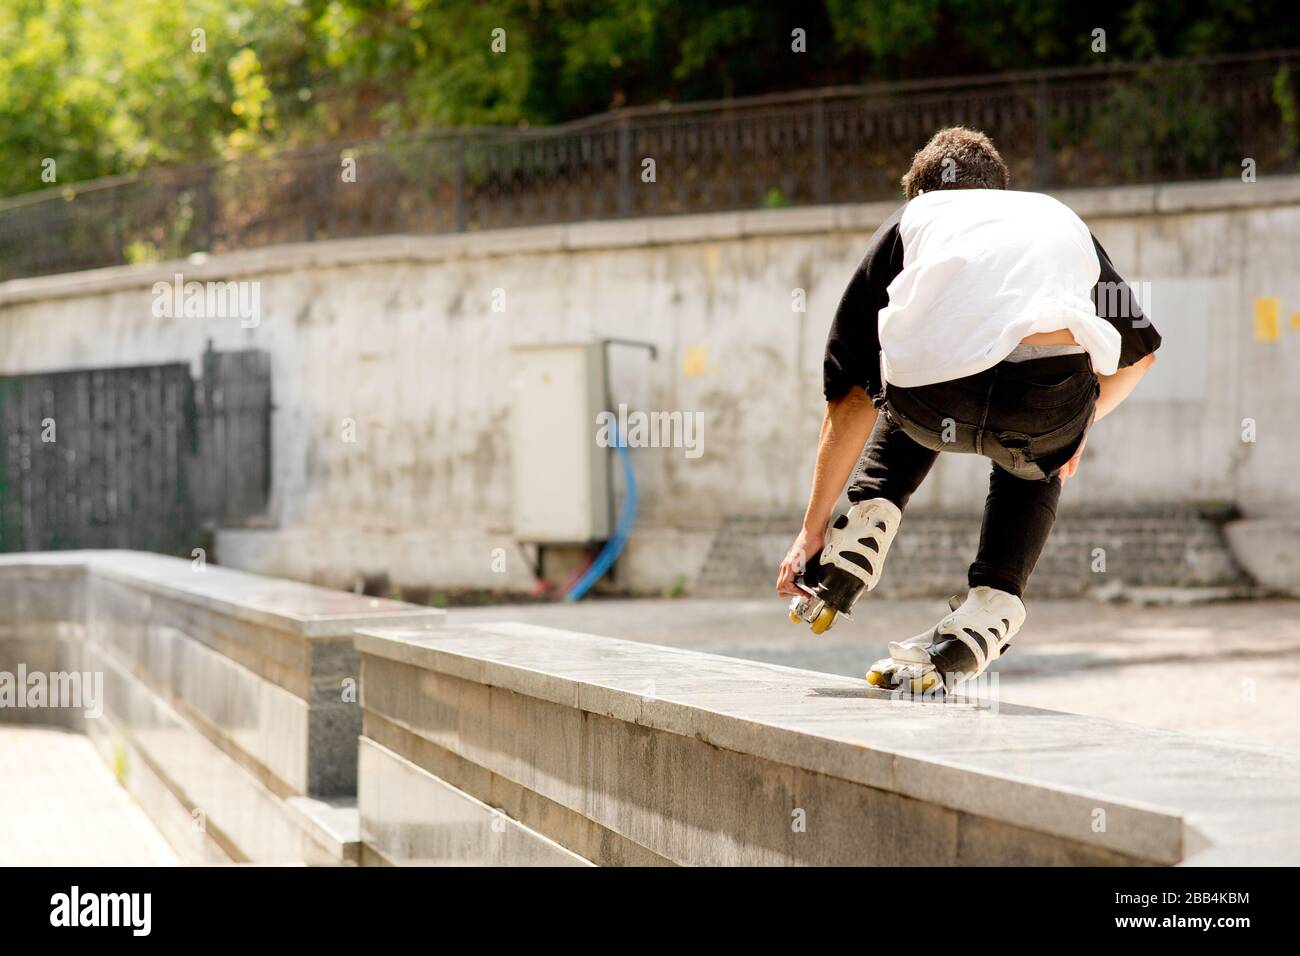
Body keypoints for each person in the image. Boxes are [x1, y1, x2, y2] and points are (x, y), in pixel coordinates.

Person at [775, 126, 1160, 693]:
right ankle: (992, 604)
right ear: (1001, 191)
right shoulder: (1054, 219)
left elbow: (850, 398)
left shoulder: (915, 221)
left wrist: (812, 532)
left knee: (898, 370)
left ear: (921, 194)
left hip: (931, 399)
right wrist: (1076, 430)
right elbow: (1142, 353)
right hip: (1044, 400)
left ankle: (865, 528)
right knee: (1037, 458)